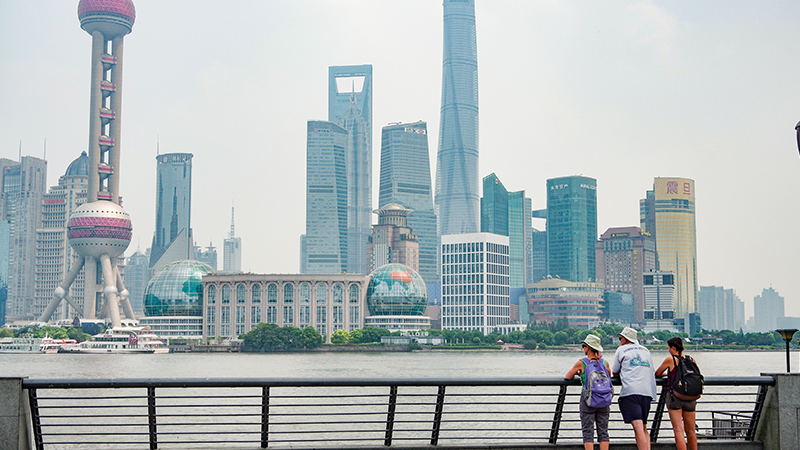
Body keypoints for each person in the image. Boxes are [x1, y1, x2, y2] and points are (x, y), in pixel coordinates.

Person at [611, 327, 656, 450]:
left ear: (625, 339)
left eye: (620, 338)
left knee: (638, 427)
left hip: (630, 391)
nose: (619, 340)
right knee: (644, 427)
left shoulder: (621, 350)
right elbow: (651, 371)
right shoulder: (646, 350)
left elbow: (614, 371)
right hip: (646, 392)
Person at [565, 334, 611, 450]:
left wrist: (579, 373)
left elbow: (568, 376)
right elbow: (609, 376)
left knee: (588, 432)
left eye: (583, 346)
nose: (583, 348)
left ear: (587, 347)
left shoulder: (582, 362)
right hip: (604, 399)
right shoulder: (605, 363)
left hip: (588, 399)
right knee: (603, 431)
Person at [655, 337, 698, 450]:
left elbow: (658, 373)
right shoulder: (691, 359)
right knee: (691, 431)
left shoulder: (671, 359)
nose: (668, 350)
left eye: (669, 348)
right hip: (690, 397)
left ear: (673, 348)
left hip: (675, 397)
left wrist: (667, 375)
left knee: (678, 430)